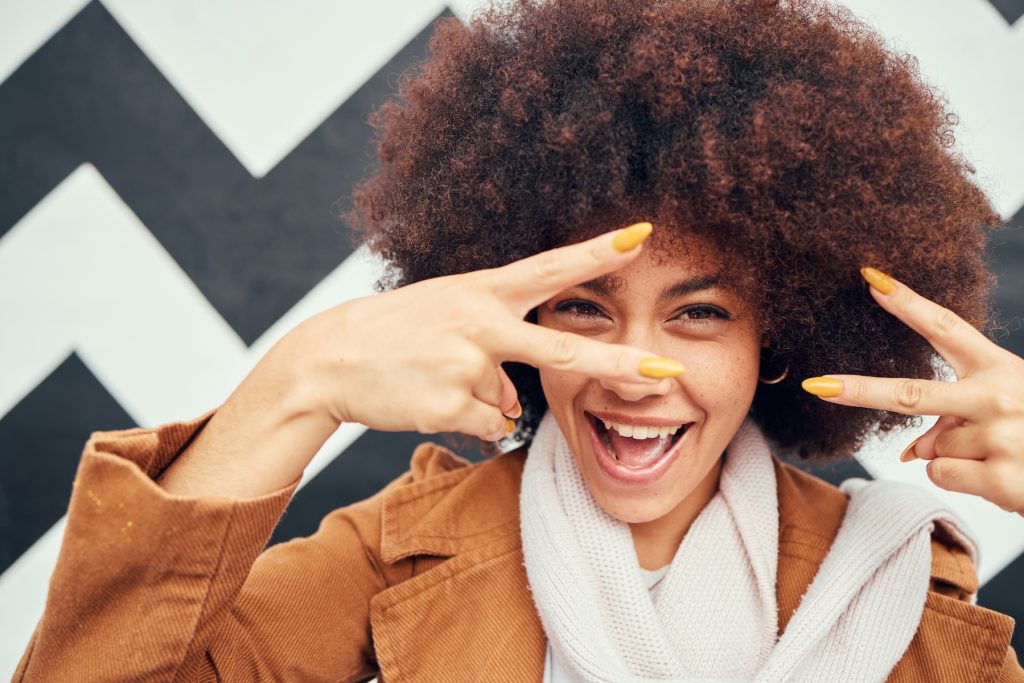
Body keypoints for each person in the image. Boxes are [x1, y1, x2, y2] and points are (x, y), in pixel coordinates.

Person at [13, 0, 1024, 680]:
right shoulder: (386, 560)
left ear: (783, 332)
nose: (633, 370)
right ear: (520, 313)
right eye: (584, 304)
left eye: (699, 311)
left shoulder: (897, 583)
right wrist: (296, 378)